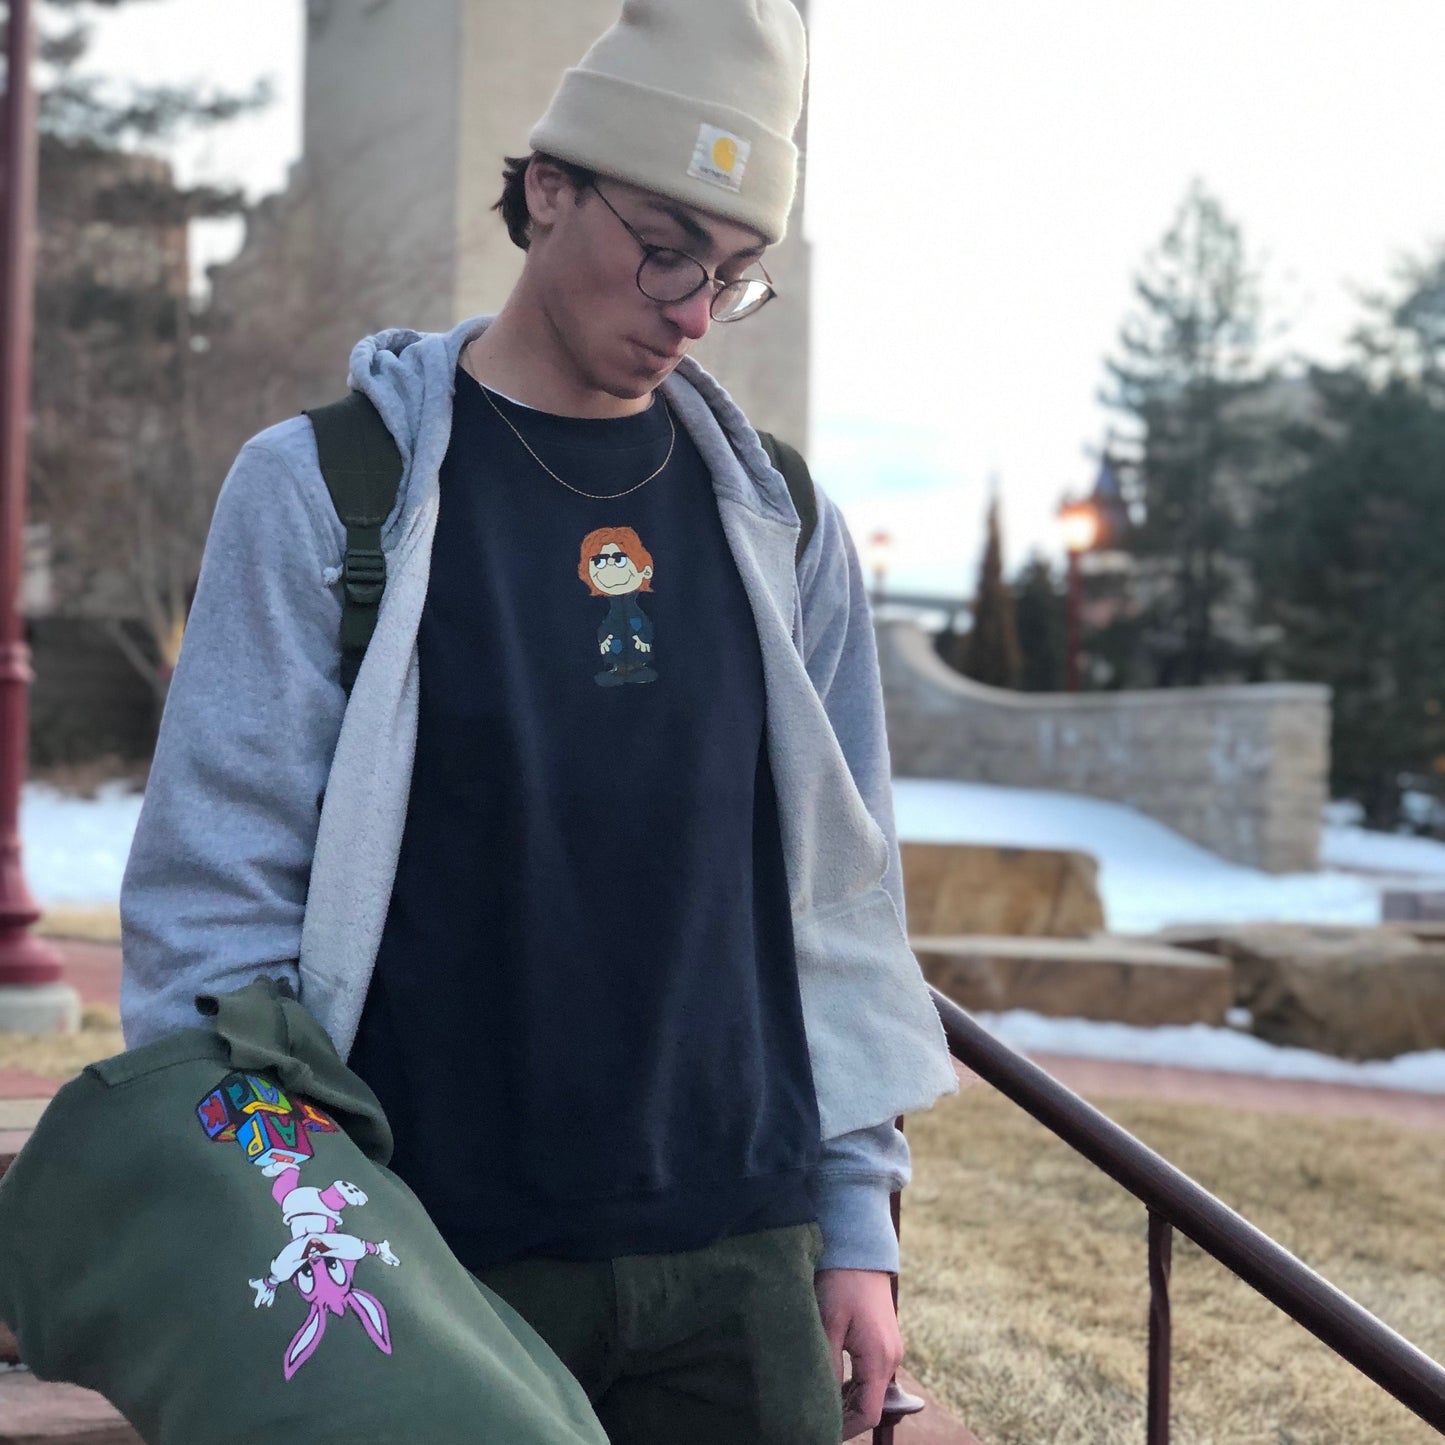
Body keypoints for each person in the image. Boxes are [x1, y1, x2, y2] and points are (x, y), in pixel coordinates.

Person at [119, 1, 957, 1439]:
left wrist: (853, 1218)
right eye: (669, 247)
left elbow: (837, 893)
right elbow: (210, 915)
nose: (695, 310)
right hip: (428, 1253)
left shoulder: (781, 520)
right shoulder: (326, 491)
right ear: (549, 186)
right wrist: (296, 1232)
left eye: (738, 275)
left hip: (737, 1253)